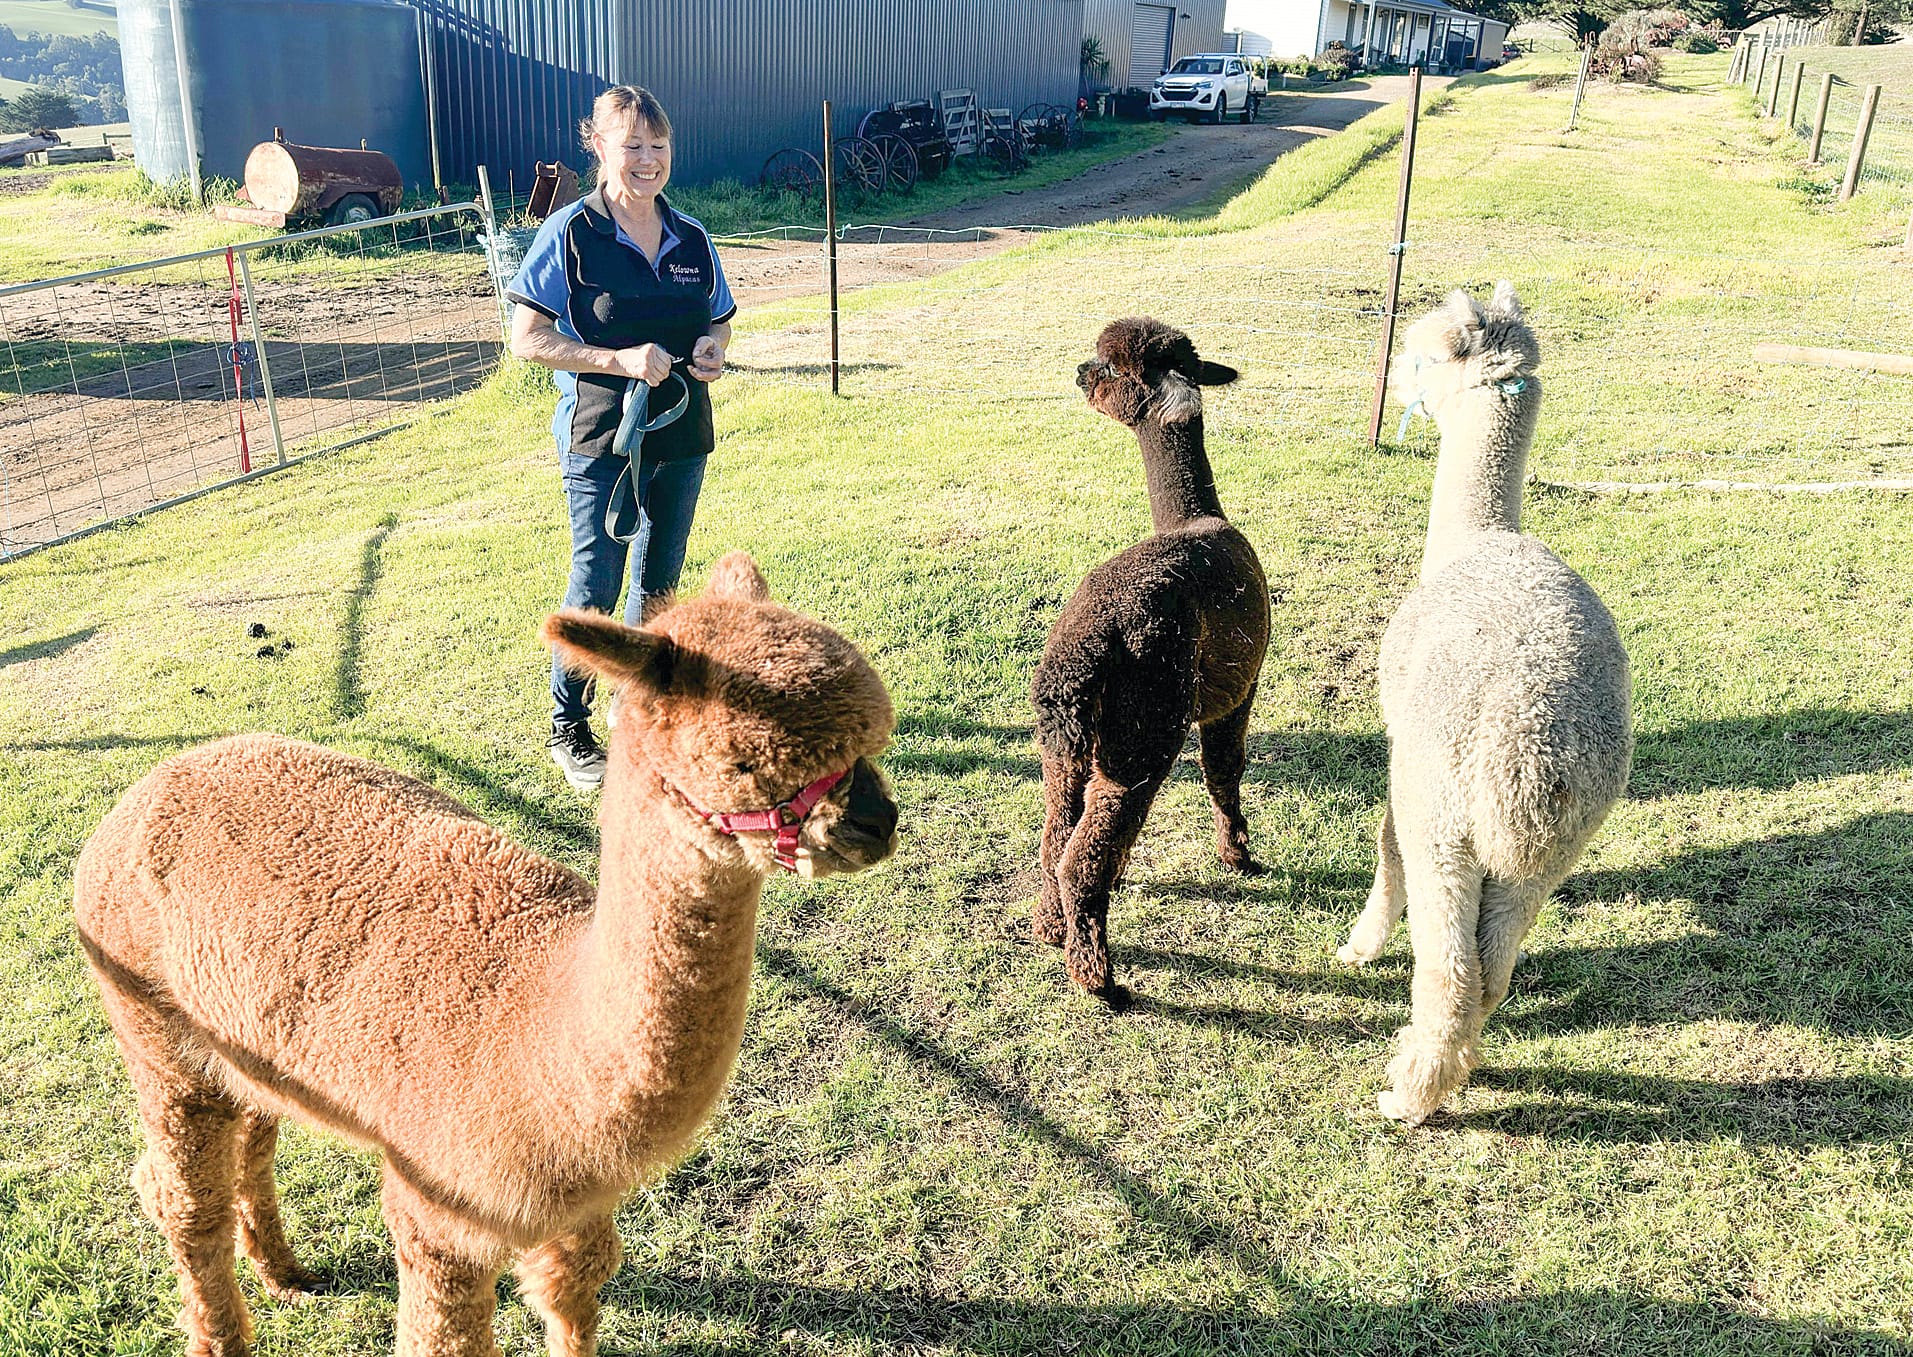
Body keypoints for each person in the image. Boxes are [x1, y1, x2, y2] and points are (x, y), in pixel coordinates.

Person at [506, 86, 736, 790]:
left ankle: (633, 704)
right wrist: (619, 359)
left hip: (682, 434)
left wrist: (712, 348)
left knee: (659, 582)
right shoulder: (571, 232)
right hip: (600, 435)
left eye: (658, 146)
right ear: (600, 147)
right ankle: (567, 726)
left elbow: (719, 317)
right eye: (632, 144)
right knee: (597, 581)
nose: (647, 159)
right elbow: (526, 340)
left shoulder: (691, 235)